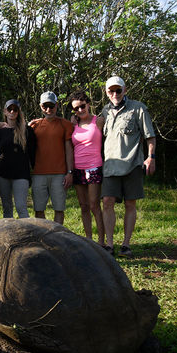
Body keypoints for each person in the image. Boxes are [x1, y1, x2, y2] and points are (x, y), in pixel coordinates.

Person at [98, 76, 157, 257]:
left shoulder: (138, 108)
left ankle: (126, 244)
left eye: (118, 90)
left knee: (130, 204)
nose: (115, 94)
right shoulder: (104, 111)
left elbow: (150, 136)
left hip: (132, 164)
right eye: (111, 91)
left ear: (125, 90)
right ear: (107, 93)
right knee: (107, 202)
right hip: (110, 165)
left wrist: (151, 157)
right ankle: (109, 244)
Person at [29, 91, 74, 224]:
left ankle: (58, 238)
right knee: (38, 209)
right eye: (45, 106)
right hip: (38, 173)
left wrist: (69, 172)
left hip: (59, 174)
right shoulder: (33, 125)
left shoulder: (65, 124)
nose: (49, 110)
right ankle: (42, 237)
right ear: (40, 106)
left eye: (51, 106)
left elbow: (69, 149)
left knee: (59, 209)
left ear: (57, 105)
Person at [69, 90, 105, 246]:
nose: (79, 110)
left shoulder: (99, 121)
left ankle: (102, 241)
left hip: (94, 167)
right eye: (75, 108)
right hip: (78, 169)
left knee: (94, 205)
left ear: (88, 104)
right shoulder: (73, 123)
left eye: (82, 106)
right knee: (83, 206)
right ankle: (89, 240)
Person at [0, 99, 36, 218]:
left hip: (21, 174)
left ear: (18, 112)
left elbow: (33, 152)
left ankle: (28, 235)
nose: (12, 112)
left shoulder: (27, 131)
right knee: (7, 208)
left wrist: (33, 170)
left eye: (15, 109)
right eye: (9, 109)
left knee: (21, 207)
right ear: (5, 111)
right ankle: (9, 236)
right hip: (2, 174)